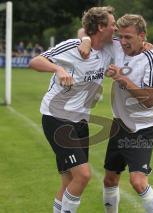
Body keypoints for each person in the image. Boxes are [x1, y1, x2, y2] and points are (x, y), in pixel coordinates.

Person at [29, 6, 117, 213]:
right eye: (112, 25)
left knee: (68, 180)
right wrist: (58, 68)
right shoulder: (71, 46)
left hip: (81, 121)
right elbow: (35, 61)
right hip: (56, 117)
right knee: (83, 175)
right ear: (101, 27)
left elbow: (131, 44)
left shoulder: (109, 49)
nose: (116, 28)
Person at [80, 14, 153, 213]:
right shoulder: (116, 44)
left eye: (129, 37)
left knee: (138, 182)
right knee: (110, 179)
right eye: (121, 36)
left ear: (142, 36)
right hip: (119, 126)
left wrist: (120, 78)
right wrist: (85, 40)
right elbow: (88, 31)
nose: (123, 41)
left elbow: (149, 100)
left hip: (142, 128)